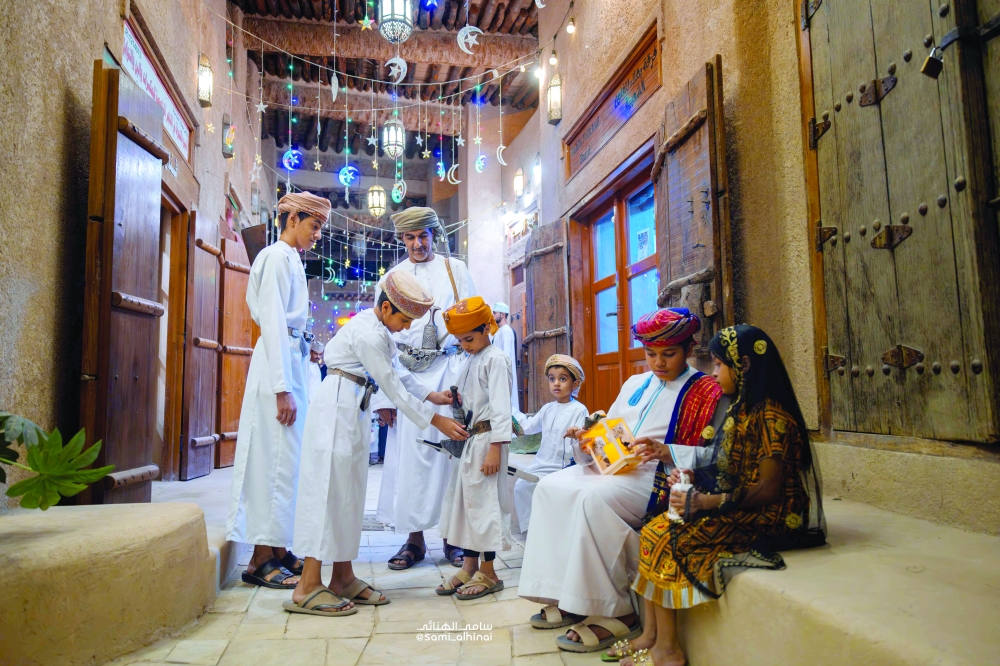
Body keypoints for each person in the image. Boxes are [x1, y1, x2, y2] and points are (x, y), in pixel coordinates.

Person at [615, 325, 825, 666]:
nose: (713, 374)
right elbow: (728, 467)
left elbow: (767, 489)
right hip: (741, 500)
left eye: (717, 365)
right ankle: (652, 636)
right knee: (653, 526)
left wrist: (706, 502)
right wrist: (691, 477)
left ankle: (668, 651)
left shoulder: (772, 417)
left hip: (770, 512)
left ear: (742, 365)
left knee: (667, 536)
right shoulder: (740, 409)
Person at [518, 308, 724, 655]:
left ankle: (616, 610)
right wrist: (588, 441)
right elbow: (606, 433)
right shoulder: (634, 382)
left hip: (656, 476)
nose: (658, 363)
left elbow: (717, 454)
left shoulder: (706, 390)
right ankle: (567, 597)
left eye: (669, 354)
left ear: (689, 348)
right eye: (650, 354)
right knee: (549, 488)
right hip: (612, 468)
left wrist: (666, 451)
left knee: (590, 500)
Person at [286, 271, 468, 617]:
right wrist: (436, 419)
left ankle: (342, 576)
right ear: (386, 308)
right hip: (336, 411)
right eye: (404, 319)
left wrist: (433, 396)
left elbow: (398, 371)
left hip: (352, 407)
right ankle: (307, 585)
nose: (405, 327)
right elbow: (393, 388)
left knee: (349, 495)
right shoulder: (369, 334)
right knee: (327, 492)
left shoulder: (379, 330)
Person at [227, 191, 326, 589]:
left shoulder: (293, 261)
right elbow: (271, 321)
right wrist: (281, 389)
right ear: (292, 219)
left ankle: (280, 548)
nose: (317, 234)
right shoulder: (273, 257)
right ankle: (259, 558)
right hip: (275, 369)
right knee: (272, 460)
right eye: (314, 226)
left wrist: (312, 348)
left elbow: (291, 322)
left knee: (289, 462)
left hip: (292, 363)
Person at [371, 206, 478, 570]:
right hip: (407, 377)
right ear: (402, 239)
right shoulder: (391, 278)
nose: (418, 244)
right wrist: (384, 397)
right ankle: (413, 540)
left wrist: (474, 382)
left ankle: (453, 538)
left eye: (424, 236)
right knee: (412, 459)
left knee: (451, 457)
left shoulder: (456, 269)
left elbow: (476, 323)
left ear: (435, 235)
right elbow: (381, 338)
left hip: (450, 371)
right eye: (410, 238)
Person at [434, 297, 514, 600]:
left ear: (487, 328)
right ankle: (469, 566)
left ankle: (490, 572)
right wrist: (454, 400)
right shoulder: (471, 359)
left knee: (485, 507)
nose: (465, 345)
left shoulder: (496, 359)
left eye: (469, 338)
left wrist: (496, 448)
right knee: (468, 506)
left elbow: (501, 408)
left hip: (488, 442)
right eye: (460, 340)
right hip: (472, 442)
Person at [512, 354, 589, 532]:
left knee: (547, 490)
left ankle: (551, 532)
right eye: (552, 379)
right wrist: (509, 412)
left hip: (565, 468)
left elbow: (584, 436)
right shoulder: (547, 409)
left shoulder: (579, 409)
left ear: (575, 384)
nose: (556, 384)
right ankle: (533, 531)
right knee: (521, 486)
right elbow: (528, 426)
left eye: (562, 379)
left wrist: (576, 433)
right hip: (541, 465)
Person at [492, 302, 520, 412]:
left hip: (504, 372)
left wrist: (503, 374)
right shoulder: (499, 332)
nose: (493, 316)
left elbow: (507, 355)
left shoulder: (506, 331)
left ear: (502, 314)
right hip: (498, 371)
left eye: (495, 313)